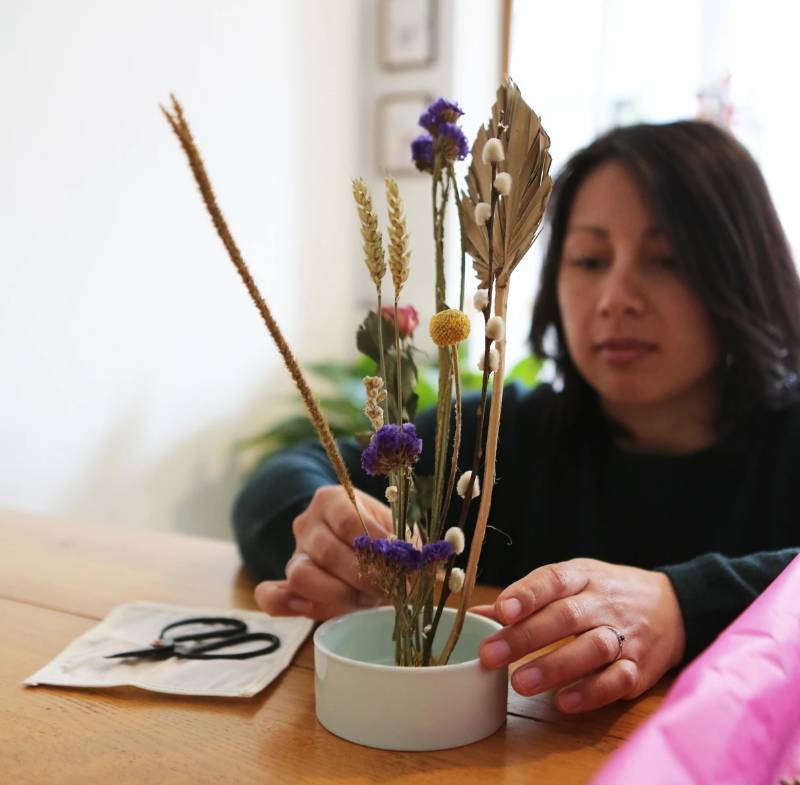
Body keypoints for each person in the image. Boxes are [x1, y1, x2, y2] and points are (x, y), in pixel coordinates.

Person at [232, 120, 800, 715]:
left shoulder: (785, 448)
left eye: (667, 260)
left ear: (744, 272)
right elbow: (278, 483)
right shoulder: (499, 438)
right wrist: (326, 537)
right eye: (588, 259)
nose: (615, 298)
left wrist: (682, 605)